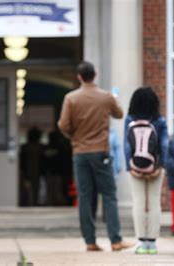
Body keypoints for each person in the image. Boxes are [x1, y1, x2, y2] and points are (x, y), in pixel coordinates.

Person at [58, 61, 132, 252]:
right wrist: (113, 99)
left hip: (80, 152)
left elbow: (63, 125)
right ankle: (115, 240)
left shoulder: (71, 98)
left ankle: (90, 241)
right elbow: (119, 113)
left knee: (84, 196)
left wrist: (74, 137)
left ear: (79, 77)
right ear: (95, 74)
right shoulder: (105, 96)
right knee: (108, 195)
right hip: (101, 151)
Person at [124, 87, 169, 254]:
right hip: (155, 166)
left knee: (138, 201)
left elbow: (127, 144)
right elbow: (164, 144)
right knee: (154, 201)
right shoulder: (160, 120)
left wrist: (131, 166)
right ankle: (152, 243)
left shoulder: (129, 119)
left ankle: (141, 242)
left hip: (135, 166)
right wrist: (160, 166)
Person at [91, 128, 123, 219]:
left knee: (107, 192)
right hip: (95, 165)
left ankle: (107, 216)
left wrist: (118, 165)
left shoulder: (112, 132)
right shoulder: (93, 131)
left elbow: (117, 150)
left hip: (109, 165)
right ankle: (92, 215)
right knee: (93, 192)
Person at [19, 127, 45, 206]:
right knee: (33, 190)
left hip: (29, 172)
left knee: (29, 191)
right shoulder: (39, 147)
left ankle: (30, 204)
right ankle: (32, 204)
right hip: (33, 172)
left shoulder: (25, 147)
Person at [43, 130, 64, 206]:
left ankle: (56, 204)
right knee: (51, 190)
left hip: (56, 172)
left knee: (56, 190)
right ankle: (51, 204)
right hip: (50, 172)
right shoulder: (46, 148)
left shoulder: (60, 148)